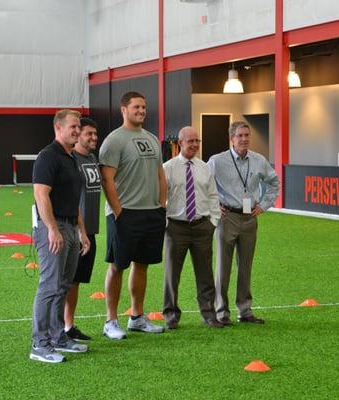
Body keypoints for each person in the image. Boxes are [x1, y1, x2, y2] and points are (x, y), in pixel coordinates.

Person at [99, 91, 167, 339]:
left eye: (144, 107)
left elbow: (160, 173)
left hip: (152, 213)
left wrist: (161, 204)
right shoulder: (114, 140)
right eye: (136, 107)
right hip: (124, 215)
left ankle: (137, 317)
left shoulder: (151, 138)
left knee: (143, 265)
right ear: (124, 110)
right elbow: (107, 179)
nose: (141, 111)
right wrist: (119, 212)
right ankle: (111, 321)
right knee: (117, 266)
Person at [30, 109, 90, 363]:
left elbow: (72, 199)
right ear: (58, 128)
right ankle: (39, 344)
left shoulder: (71, 157)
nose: (77, 131)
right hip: (52, 228)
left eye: (79, 127)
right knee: (50, 285)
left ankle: (57, 337)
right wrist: (52, 229)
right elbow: (41, 195)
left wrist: (82, 231)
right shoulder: (48, 156)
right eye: (73, 127)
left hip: (70, 227)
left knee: (63, 285)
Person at [207, 121, 280, 326]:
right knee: (223, 267)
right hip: (226, 217)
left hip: (249, 217)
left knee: (245, 266)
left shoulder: (258, 160)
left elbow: (274, 183)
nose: (244, 139)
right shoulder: (217, 161)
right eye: (240, 135)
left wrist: (264, 205)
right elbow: (203, 184)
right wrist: (213, 206)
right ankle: (221, 313)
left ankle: (245, 310)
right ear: (231, 138)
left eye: (247, 135)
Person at [162, 126, 222, 329]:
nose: (195, 145)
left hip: (202, 227)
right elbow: (161, 198)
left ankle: (208, 314)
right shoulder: (168, 168)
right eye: (191, 141)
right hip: (176, 228)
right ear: (180, 143)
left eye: (197, 141)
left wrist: (213, 222)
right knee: (172, 274)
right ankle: (170, 315)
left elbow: (213, 196)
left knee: (205, 274)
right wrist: (166, 223)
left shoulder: (205, 167)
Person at [63, 118, 101, 341]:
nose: (93, 138)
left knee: (76, 281)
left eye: (95, 134)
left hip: (91, 230)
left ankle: (69, 326)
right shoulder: (71, 160)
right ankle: (58, 327)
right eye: (89, 134)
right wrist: (79, 229)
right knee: (66, 280)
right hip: (77, 230)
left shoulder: (92, 158)